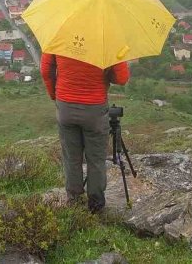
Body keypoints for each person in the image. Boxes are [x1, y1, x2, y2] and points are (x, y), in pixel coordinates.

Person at [41, 53, 130, 213]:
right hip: (94, 109)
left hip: (65, 106)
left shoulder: (57, 33)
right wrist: (106, 72)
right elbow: (121, 78)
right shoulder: (107, 35)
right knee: (95, 159)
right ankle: (96, 205)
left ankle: (74, 201)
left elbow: (46, 70)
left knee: (71, 158)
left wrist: (54, 95)